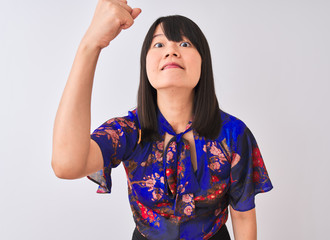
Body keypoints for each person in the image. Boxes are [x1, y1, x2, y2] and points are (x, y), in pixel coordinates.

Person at [51, 0, 273, 239]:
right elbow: (66, 164)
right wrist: (91, 44)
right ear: (145, 64)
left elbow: (242, 214)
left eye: (185, 43)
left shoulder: (232, 134)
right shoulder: (129, 132)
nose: (171, 50)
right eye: (159, 44)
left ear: (203, 62)